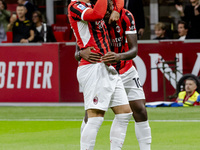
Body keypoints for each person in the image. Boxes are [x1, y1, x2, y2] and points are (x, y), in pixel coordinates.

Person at [76, 1, 152, 150]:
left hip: (125, 68)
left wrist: (119, 56)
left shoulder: (126, 16)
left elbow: (134, 50)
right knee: (92, 115)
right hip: (102, 70)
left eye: (112, 4)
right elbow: (78, 52)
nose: (108, 7)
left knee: (139, 109)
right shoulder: (90, 17)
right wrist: (80, 53)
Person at [68, 0, 132, 150]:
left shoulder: (90, 5)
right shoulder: (75, 6)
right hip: (93, 66)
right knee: (95, 117)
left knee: (124, 113)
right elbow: (97, 15)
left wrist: (117, 8)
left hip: (106, 66)